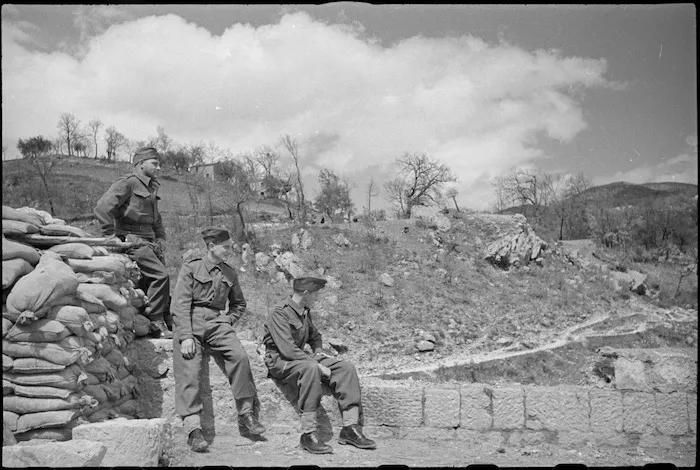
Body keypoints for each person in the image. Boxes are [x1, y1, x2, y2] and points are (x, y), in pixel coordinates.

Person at [172, 226, 266, 453]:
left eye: (230, 247)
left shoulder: (230, 273)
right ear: (211, 246)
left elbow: (239, 304)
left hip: (217, 323)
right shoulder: (191, 267)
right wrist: (185, 336)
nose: (229, 251)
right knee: (189, 368)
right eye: (225, 247)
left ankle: (246, 413)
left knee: (240, 356)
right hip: (191, 321)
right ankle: (193, 429)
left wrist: (227, 320)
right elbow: (180, 304)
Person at [262, 277, 376, 454]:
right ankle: (308, 434)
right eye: (315, 294)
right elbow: (287, 349)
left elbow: (315, 336)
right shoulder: (280, 313)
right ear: (306, 294)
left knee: (346, 368)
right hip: (279, 361)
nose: (317, 298)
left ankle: (350, 428)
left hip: (300, 358)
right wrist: (314, 362)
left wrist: (317, 352)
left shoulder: (304, 311)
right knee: (311, 368)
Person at [94, 146, 173, 339]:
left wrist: (161, 237)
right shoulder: (128, 183)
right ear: (140, 164)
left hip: (149, 241)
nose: (158, 167)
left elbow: (156, 218)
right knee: (161, 276)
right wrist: (110, 235)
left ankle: (161, 317)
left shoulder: (151, 187)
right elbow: (102, 207)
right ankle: (155, 321)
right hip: (132, 240)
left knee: (153, 284)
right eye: (154, 163)